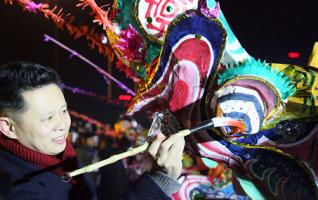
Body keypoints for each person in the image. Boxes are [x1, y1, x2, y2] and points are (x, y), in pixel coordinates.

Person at [0, 61, 185, 200]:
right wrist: (159, 182)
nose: (62, 124)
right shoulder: (19, 190)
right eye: (48, 117)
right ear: (8, 127)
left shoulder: (59, 156)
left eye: (64, 111)